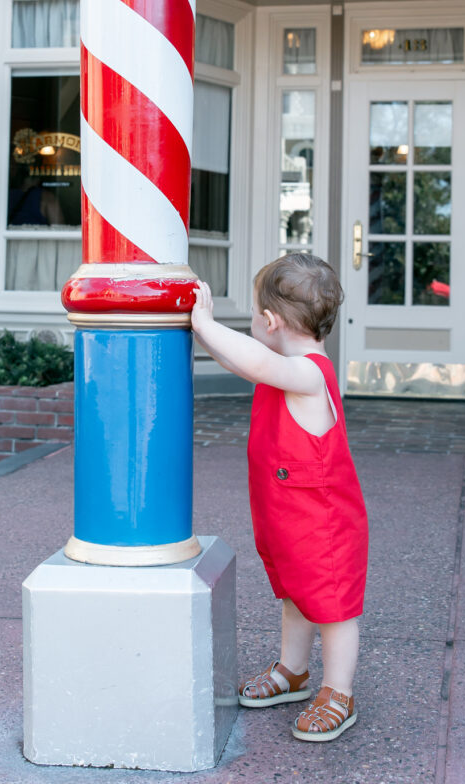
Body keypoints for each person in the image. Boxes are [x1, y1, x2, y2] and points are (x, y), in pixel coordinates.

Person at [191, 253, 368, 743]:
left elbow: (254, 359)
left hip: (324, 524)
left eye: (253, 314)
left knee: (333, 608)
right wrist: (202, 334)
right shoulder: (279, 370)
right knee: (294, 594)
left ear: (269, 321)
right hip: (288, 518)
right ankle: (293, 671)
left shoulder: (308, 373)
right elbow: (241, 362)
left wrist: (208, 322)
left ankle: (338, 691)